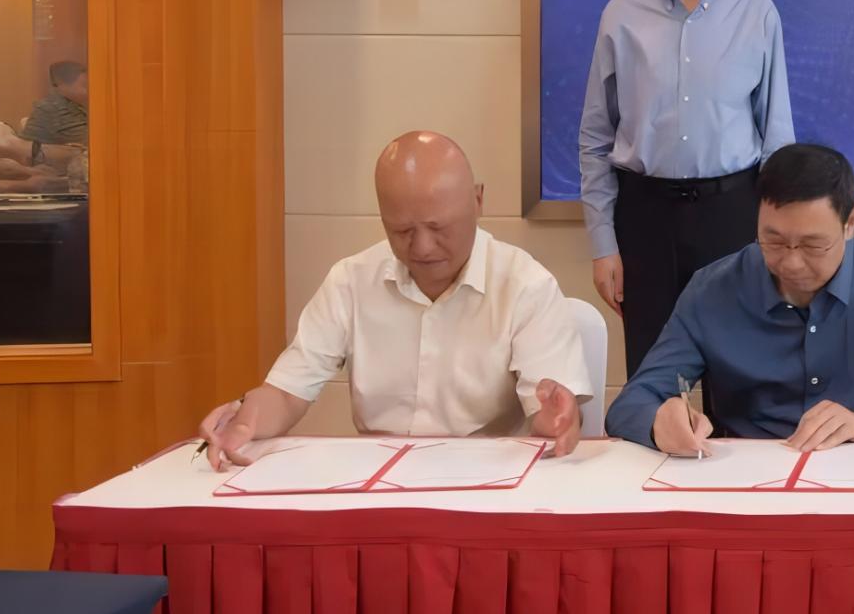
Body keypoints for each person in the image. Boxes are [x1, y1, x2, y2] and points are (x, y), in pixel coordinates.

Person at [195, 132, 590, 468]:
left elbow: (548, 417)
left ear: (478, 201)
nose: (422, 247)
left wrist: (556, 419)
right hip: (374, 480)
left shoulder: (525, 286)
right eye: (401, 230)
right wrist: (245, 421)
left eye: (438, 227)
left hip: (484, 479)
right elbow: (285, 393)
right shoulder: (350, 281)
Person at [609, 143, 854, 453]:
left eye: (813, 245)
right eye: (773, 241)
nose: (791, 263)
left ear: (851, 223)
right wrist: (659, 422)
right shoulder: (713, 290)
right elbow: (631, 405)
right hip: (747, 477)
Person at [579, 0, 794, 374]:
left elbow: (776, 135)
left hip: (733, 213)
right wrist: (603, 245)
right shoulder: (621, 14)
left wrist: (777, 235)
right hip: (645, 215)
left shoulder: (755, 10)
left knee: (741, 372)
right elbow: (595, 137)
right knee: (653, 372)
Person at [20, 61, 88, 147]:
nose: (91, 89)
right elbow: (90, 143)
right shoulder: (55, 109)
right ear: (63, 85)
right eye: (85, 85)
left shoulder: (73, 104)